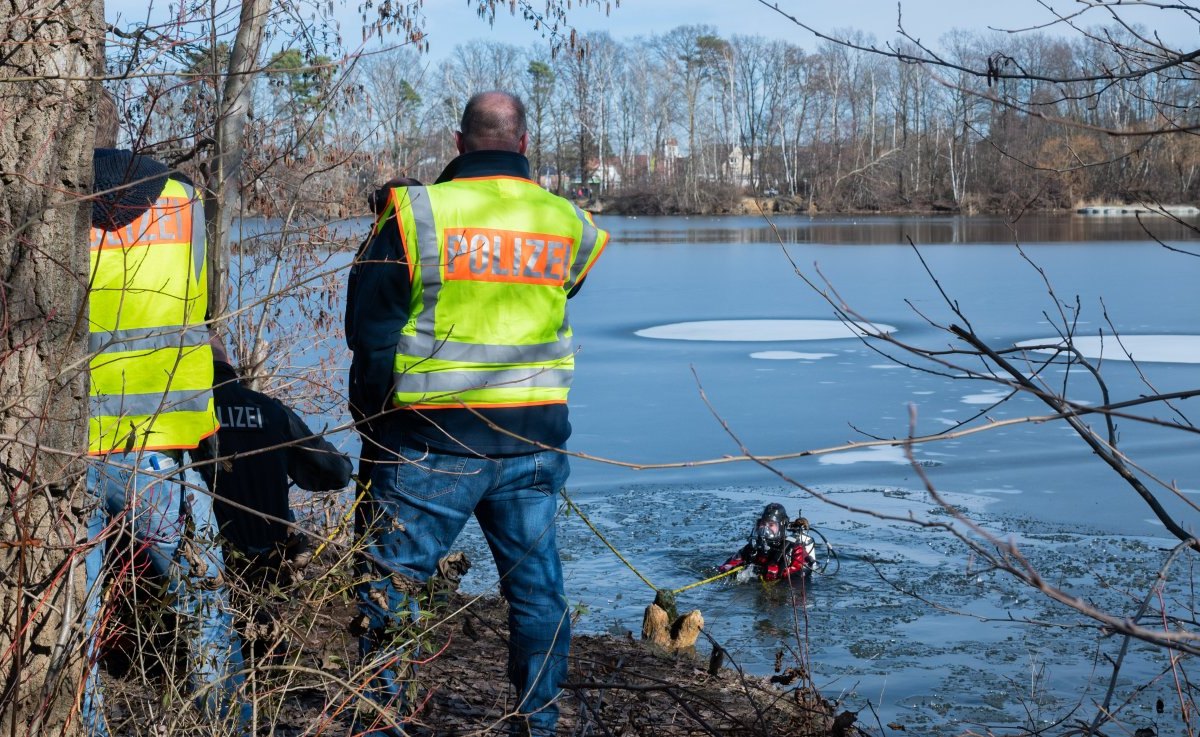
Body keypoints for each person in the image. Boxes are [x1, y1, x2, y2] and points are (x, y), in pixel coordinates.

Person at [345, 90, 609, 736]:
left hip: (432, 441)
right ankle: (538, 722)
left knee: (391, 590)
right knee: (538, 593)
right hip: (533, 443)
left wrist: (374, 422)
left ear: (458, 144)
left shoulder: (417, 214)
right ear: (524, 144)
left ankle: (384, 721)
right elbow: (557, 285)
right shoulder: (567, 222)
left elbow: (370, 335)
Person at [81, 92, 248, 735]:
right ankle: (230, 726)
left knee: (71, 623)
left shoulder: (35, 205)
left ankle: (84, 725)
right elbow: (200, 304)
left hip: (60, 452)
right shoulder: (183, 202)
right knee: (205, 604)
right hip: (159, 449)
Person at [192, 340, 353, 655]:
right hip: (273, 557)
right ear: (231, 368)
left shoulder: (192, 413)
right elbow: (337, 472)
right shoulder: (271, 410)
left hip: (218, 557)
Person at [717, 503, 817, 582]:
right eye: (763, 524)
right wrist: (733, 569)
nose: (765, 528)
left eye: (771, 524)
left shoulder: (793, 548)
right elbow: (727, 565)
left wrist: (771, 572)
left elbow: (800, 571)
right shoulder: (753, 547)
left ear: (781, 526)